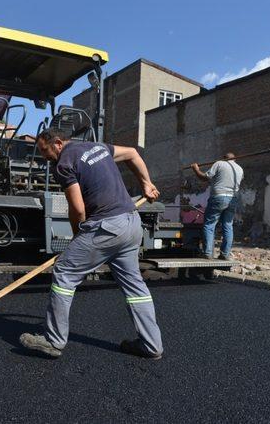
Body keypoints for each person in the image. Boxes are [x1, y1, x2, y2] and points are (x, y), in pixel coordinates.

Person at [19, 128, 164, 360]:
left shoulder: (64, 163)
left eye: (45, 152)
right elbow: (133, 154)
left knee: (64, 272)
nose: (45, 159)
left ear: (57, 143)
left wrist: (78, 238)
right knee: (135, 286)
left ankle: (54, 340)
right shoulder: (98, 147)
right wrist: (146, 183)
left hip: (105, 227)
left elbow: (77, 208)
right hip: (131, 223)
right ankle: (152, 345)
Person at [191, 153, 244, 260]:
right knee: (228, 226)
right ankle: (225, 254)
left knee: (209, 225)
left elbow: (205, 177)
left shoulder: (219, 163)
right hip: (233, 199)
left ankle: (207, 253)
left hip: (218, 197)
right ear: (234, 159)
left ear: (224, 158)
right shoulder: (240, 169)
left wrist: (196, 169)